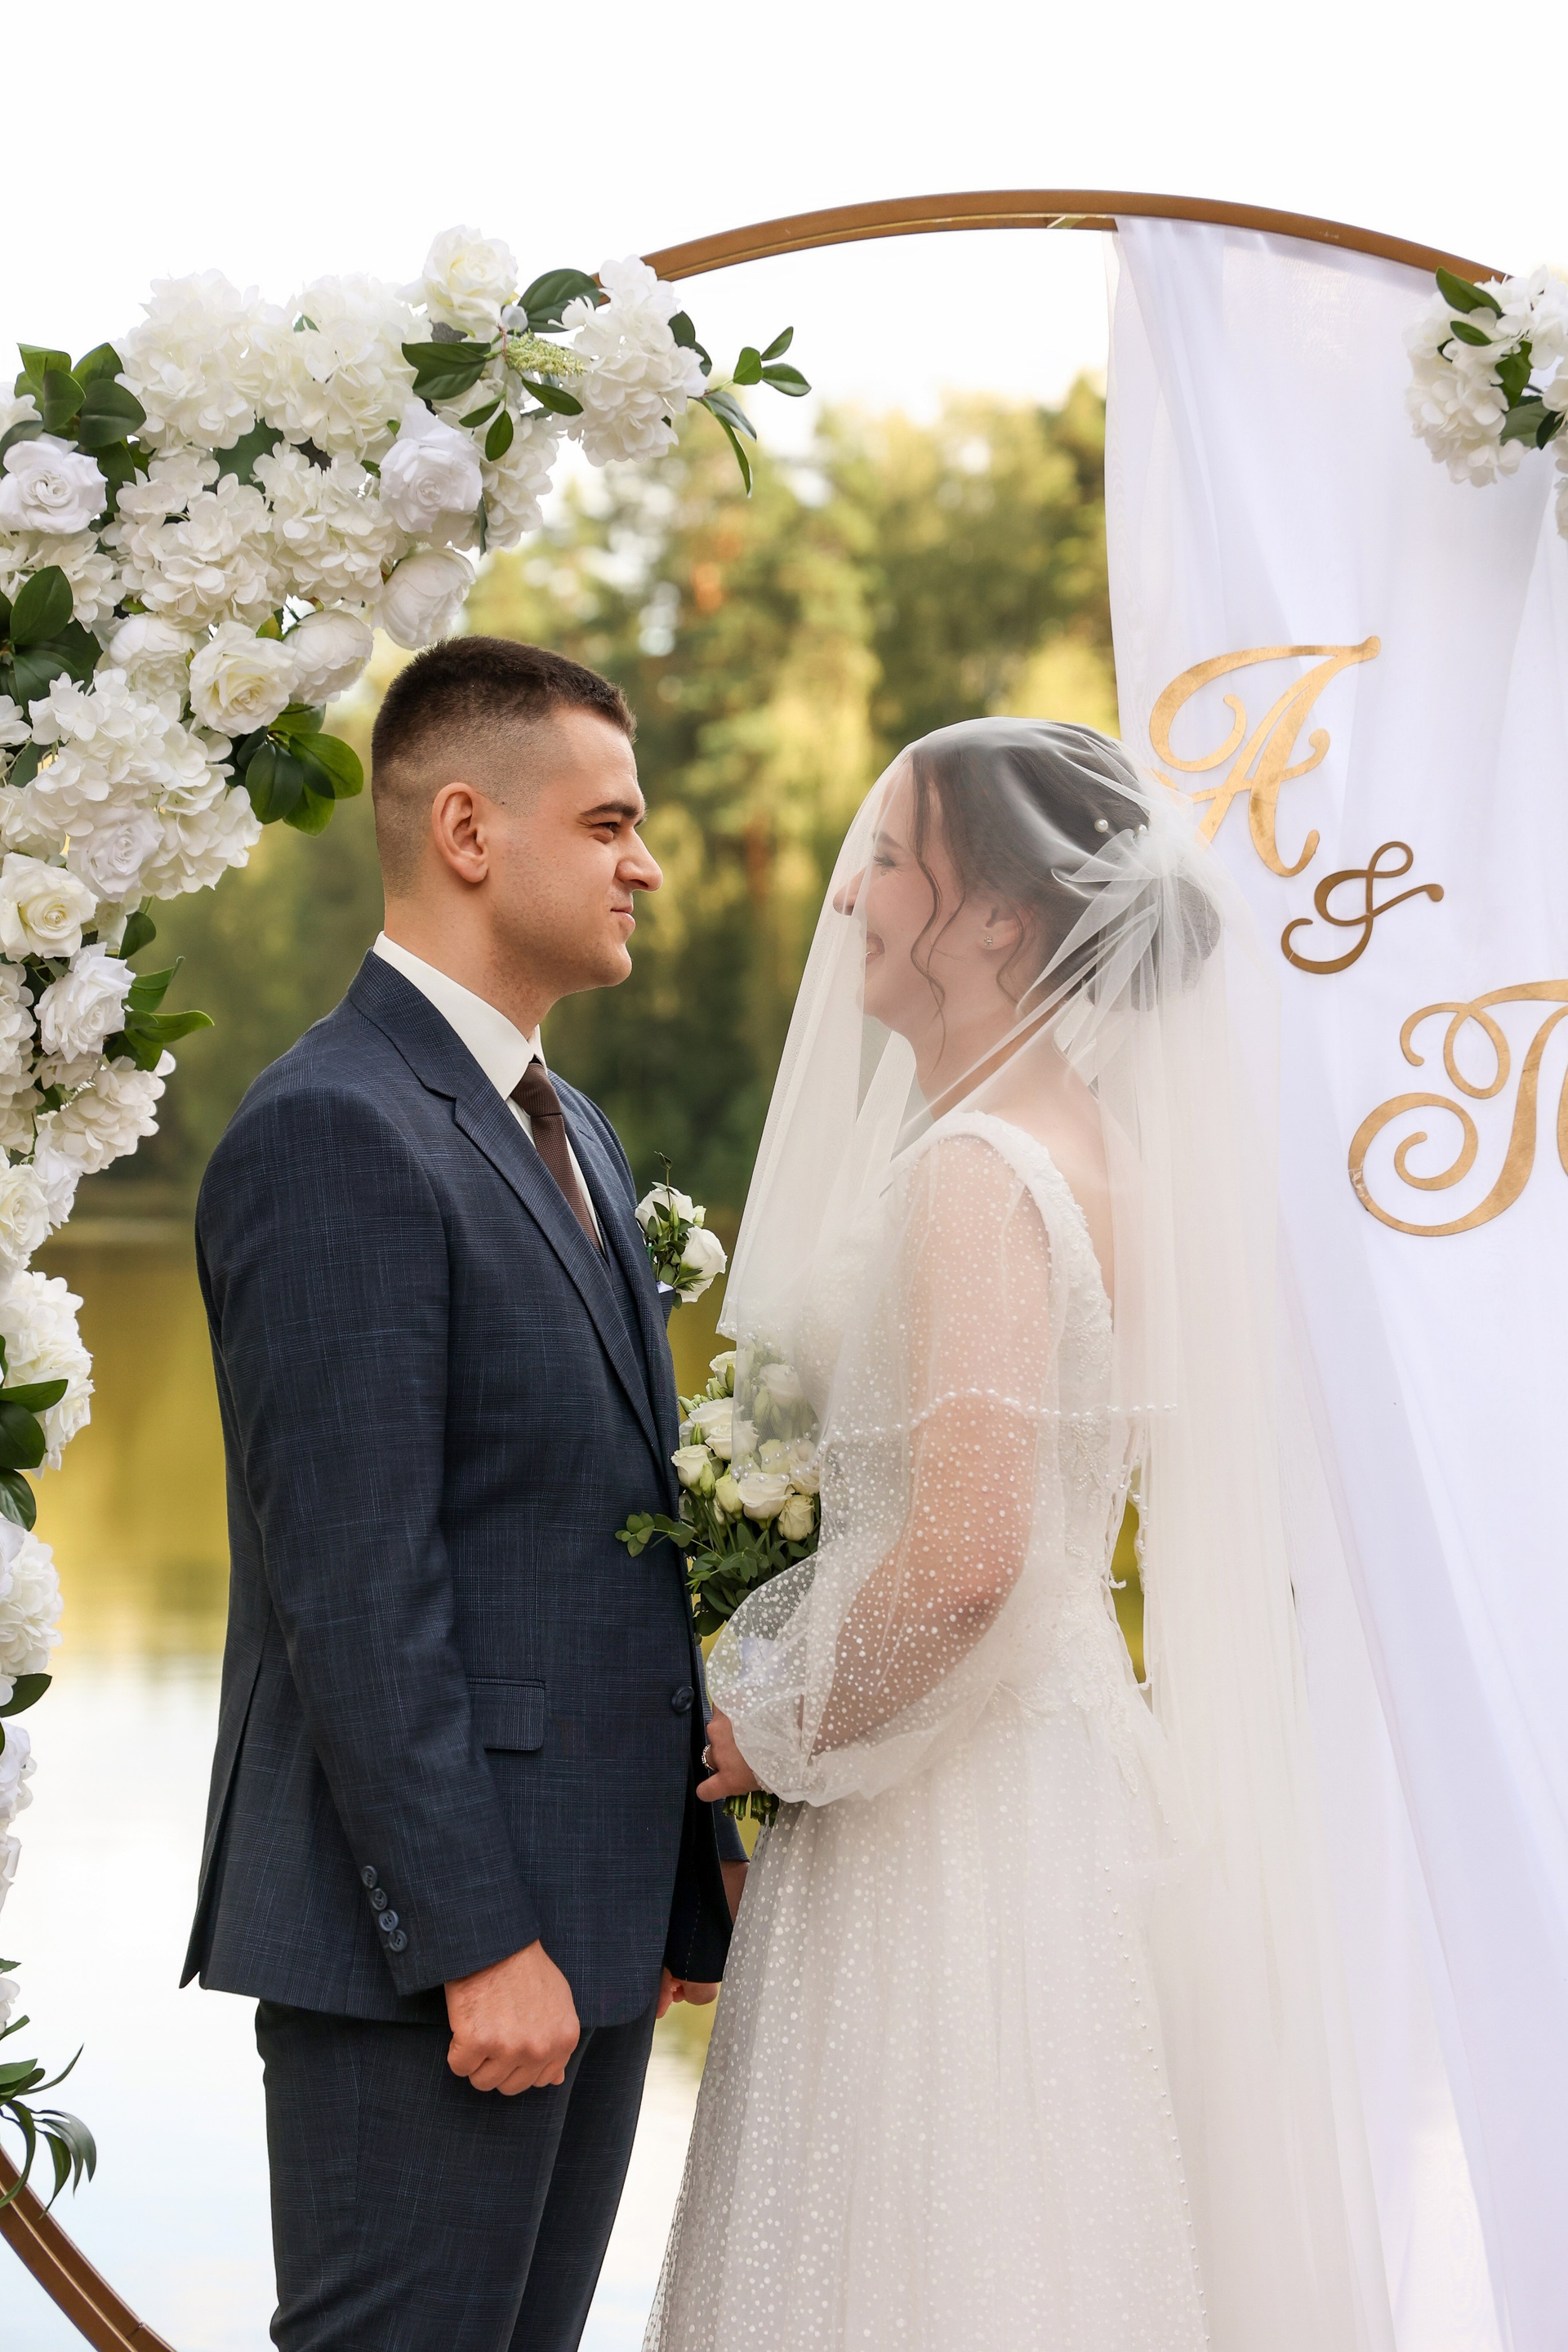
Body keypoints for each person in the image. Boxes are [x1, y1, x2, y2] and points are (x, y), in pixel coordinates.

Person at [648, 719, 1395, 2351]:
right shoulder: (1104, 1154)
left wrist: (778, 1720)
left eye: (887, 860)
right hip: (1064, 1772)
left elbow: (970, 1559)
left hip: (948, 1814)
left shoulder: (978, 1175)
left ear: (997, 915)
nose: (847, 897)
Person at [183, 636, 746, 2352]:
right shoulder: (334, 1128)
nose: (646, 865)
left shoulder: (570, 1123)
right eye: (609, 823)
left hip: (586, 1927)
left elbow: (586, 1529)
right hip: (429, 1955)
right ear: (468, 831)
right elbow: (356, 1589)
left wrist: (681, 1870)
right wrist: (475, 1942)